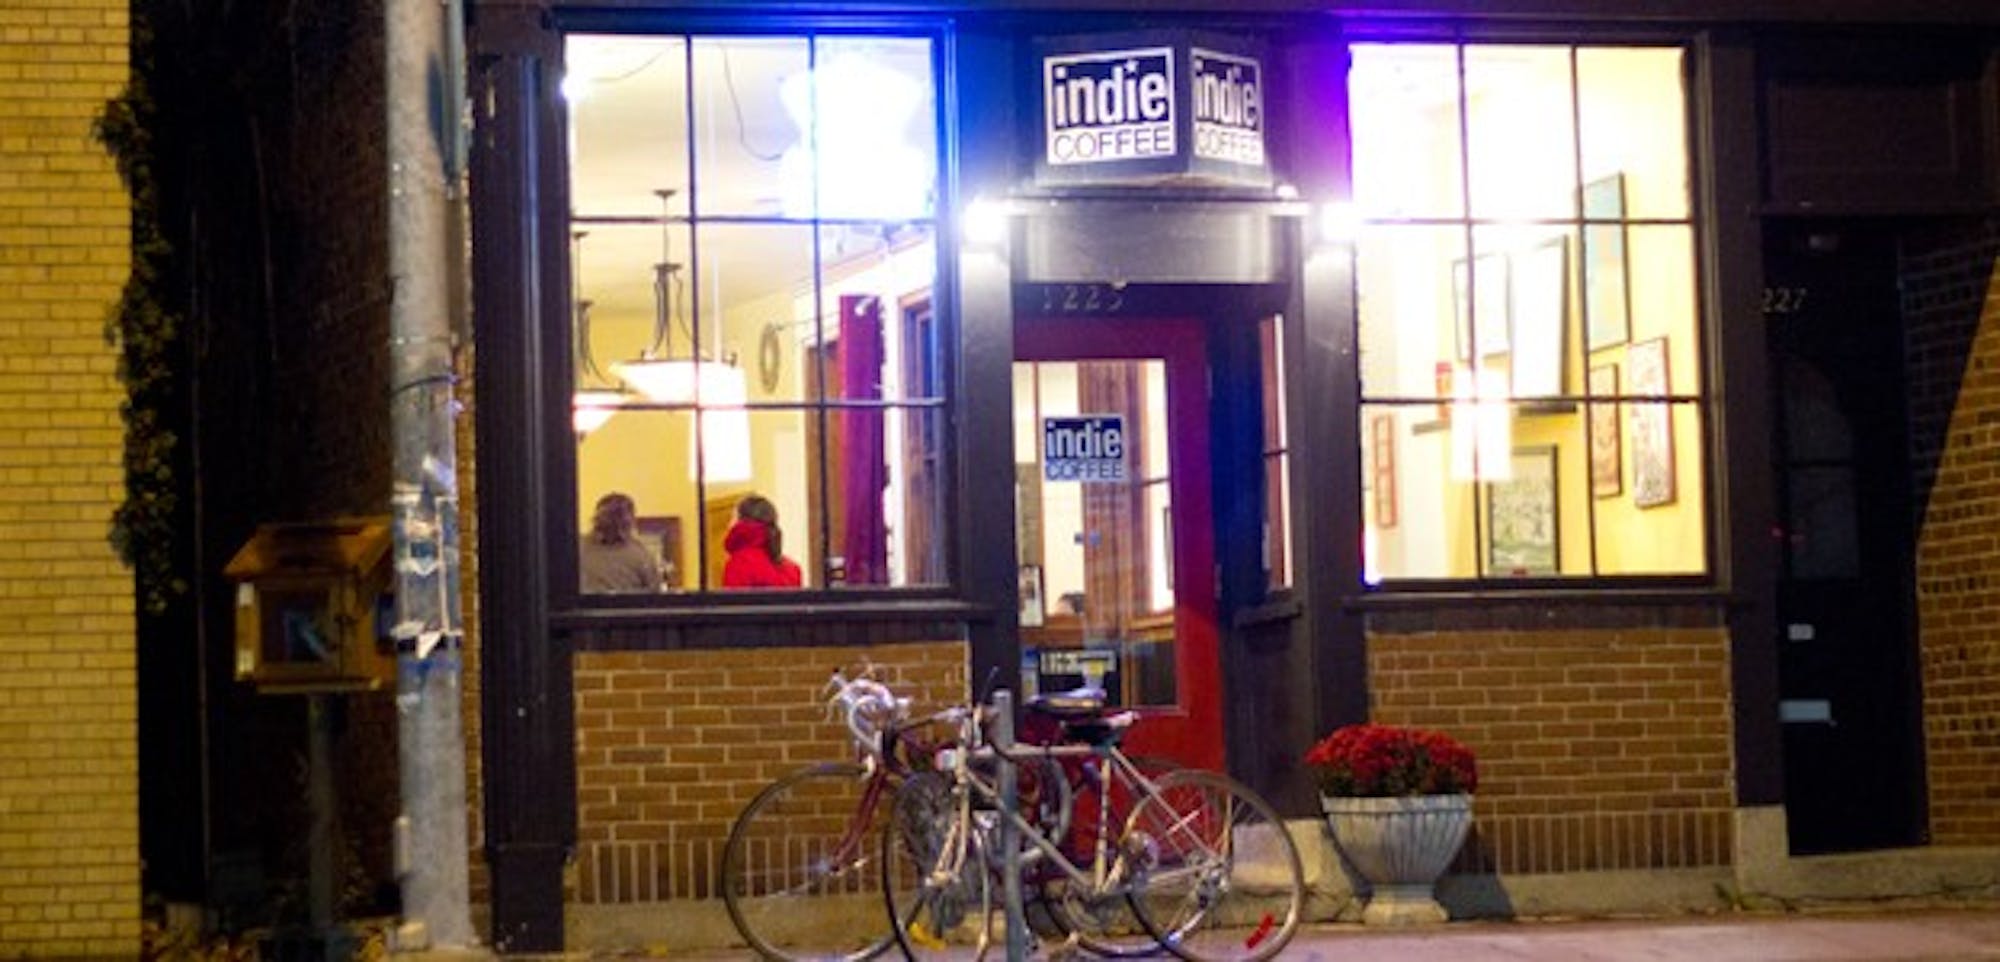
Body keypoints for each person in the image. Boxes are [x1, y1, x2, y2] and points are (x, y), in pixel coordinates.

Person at [579, 492, 662, 593]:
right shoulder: (578, 549)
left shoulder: (641, 555)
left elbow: (654, 594)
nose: (613, 523)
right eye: (609, 517)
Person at [722, 493, 803, 589]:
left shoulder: (739, 564)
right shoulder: (792, 569)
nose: (729, 524)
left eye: (733, 518)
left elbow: (736, 598)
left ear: (740, 521)